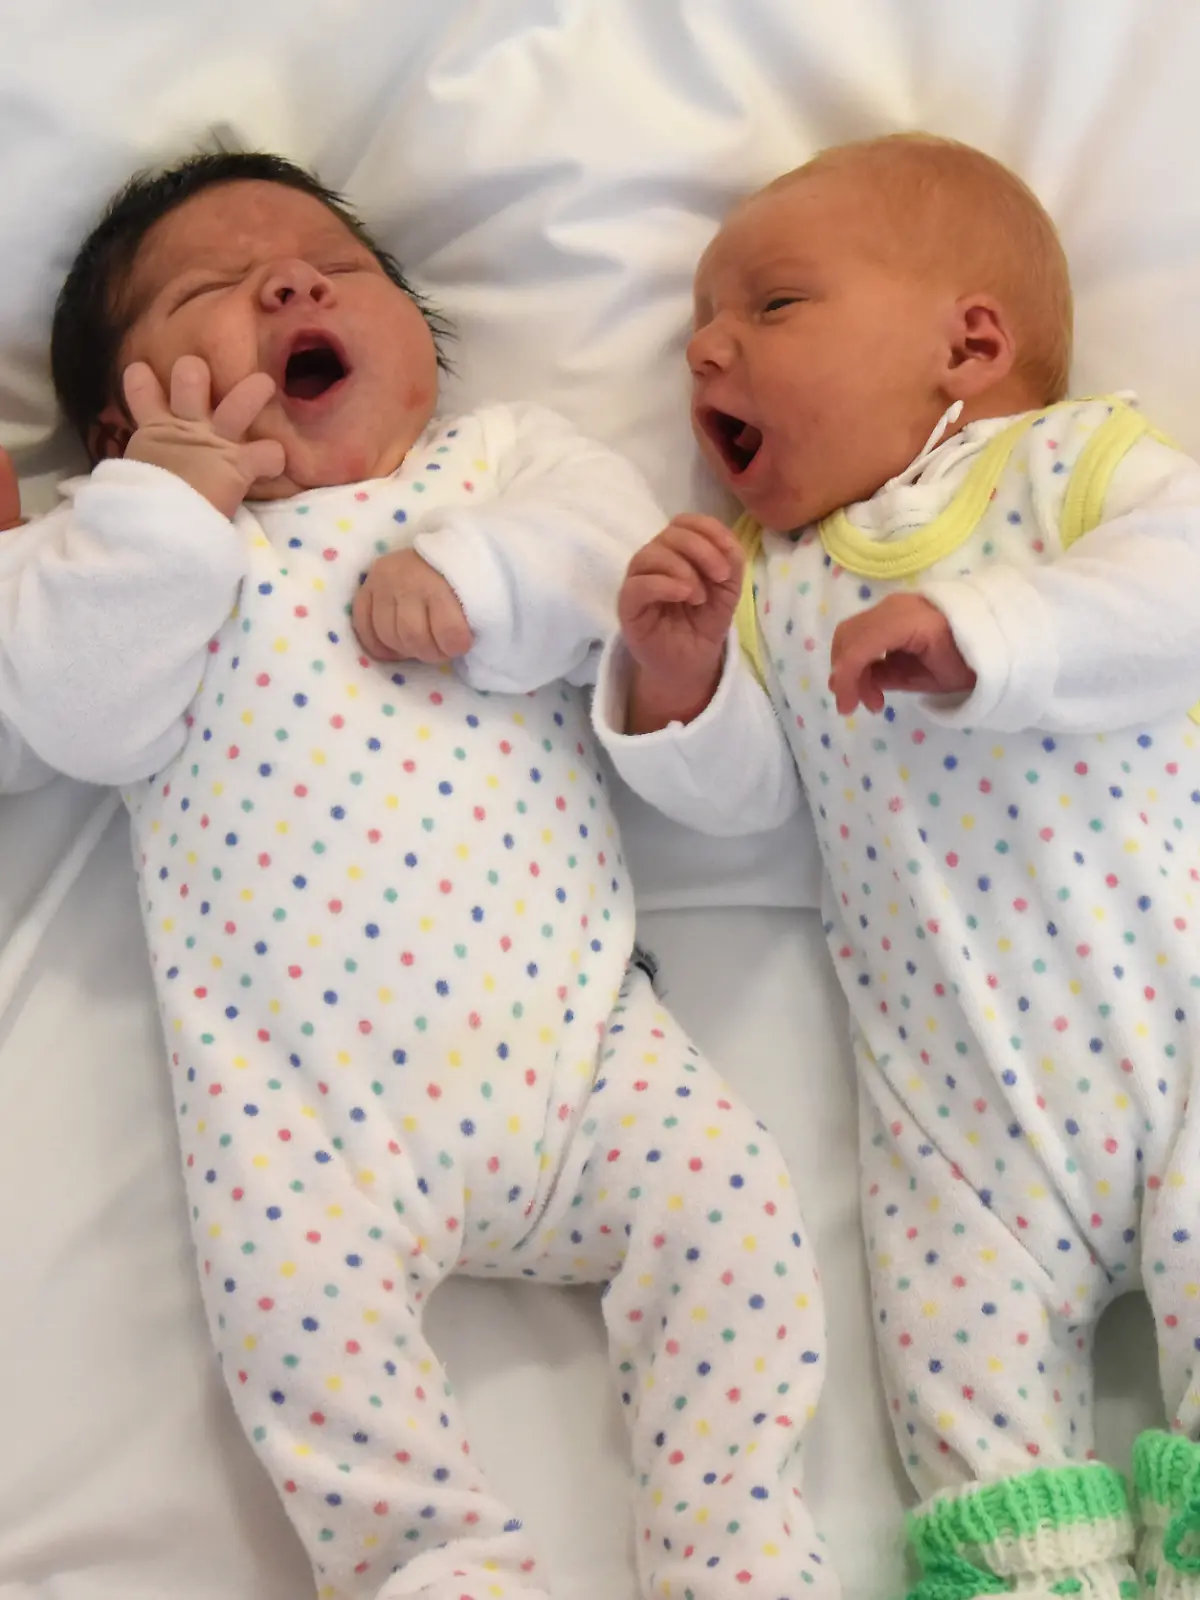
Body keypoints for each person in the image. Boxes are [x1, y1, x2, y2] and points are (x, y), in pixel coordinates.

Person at [0, 152, 831, 1600]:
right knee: (292, 1333)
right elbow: (72, 713)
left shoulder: (498, 461)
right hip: (308, 1116)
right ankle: (433, 1560)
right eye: (210, 288)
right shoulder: (108, 550)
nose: (289, 282)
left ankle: (734, 1537)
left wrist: (487, 577)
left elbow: (603, 551)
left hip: (580, 1056)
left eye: (335, 264)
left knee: (734, 1221)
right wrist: (163, 512)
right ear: (112, 420)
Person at [596, 131, 1200, 1600]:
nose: (708, 354)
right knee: (960, 1382)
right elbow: (748, 811)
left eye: (773, 309)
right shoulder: (773, 580)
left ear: (970, 345)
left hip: (1183, 1025)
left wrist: (988, 632)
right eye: (693, 334)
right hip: (957, 1128)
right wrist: (679, 688)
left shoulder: (1067, 462)